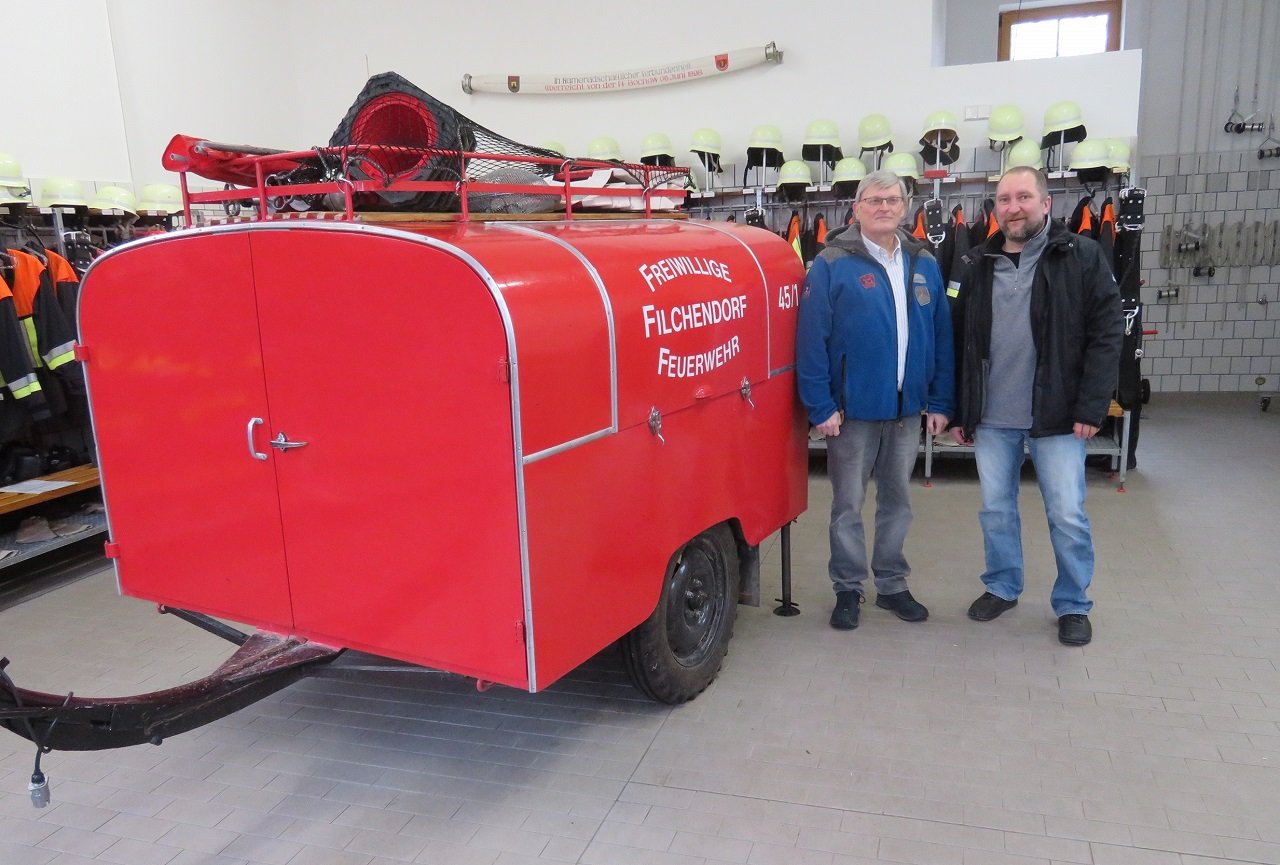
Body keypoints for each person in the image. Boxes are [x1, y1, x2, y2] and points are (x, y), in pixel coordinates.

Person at [950, 166, 1122, 646]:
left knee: (1067, 512)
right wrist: (964, 409)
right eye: (1004, 199)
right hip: (992, 416)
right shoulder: (974, 263)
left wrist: (1092, 407)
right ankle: (1002, 587)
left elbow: (1108, 334)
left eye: (1024, 197)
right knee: (995, 509)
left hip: (1060, 415)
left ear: (1046, 204)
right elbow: (959, 338)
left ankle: (1072, 603)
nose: (1014, 207)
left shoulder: (1081, 256)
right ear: (995, 208)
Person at [797, 169, 954, 631]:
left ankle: (891, 585)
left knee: (898, 501)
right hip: (851, 413)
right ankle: (848, 587)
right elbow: (810, 341)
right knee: (847, 504)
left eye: (892, 199)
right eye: (873, 200)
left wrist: (940, 400)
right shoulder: (830, 263)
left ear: (905, 207)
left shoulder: (924, 262)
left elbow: (942, 335)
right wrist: (820, 406)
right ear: (857, 208)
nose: (883, 207)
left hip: (907, 410)